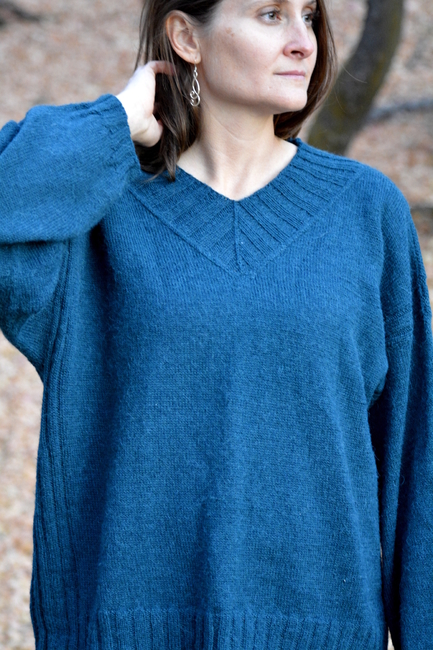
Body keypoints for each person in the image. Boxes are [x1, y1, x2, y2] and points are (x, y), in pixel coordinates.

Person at [0, 0, 432, 647]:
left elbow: (415, 458)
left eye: (309, 16)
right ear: (185, 37)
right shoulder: (99, 216)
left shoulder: (366, 212)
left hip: (322, 631)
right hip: (131, 631)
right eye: (270, 14)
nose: (303, 41)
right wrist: (115, 122)